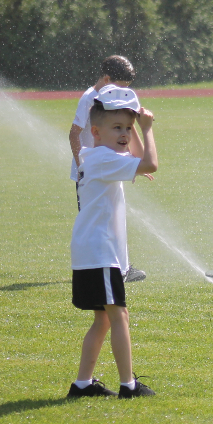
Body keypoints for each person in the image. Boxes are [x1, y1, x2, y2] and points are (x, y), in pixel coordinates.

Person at [67, 85, 159, 398]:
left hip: (94, 253)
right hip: (100, 253)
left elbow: (136, 158)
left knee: (104, 320)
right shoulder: (104, 159)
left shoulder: (98, 156)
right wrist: (146, 130)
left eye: (128, 128)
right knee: (119, 316)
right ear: (95, 132)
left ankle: (82, 385)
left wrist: (135, 127)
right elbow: (149, 163)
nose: (124, 134)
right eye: (117, 128)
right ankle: (128, 386)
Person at [69, 55, 147, 283]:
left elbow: (120, 133)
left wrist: (130, 162)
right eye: (119, 86)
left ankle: (122, 267)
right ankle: (101, 268)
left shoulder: (109, 101)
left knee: (115, 218)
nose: (122, 92)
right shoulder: (90, 99)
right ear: (106, 79)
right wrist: (83, 167)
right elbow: (74, 134)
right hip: (92, 172)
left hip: (108, 167)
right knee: (98, 222)